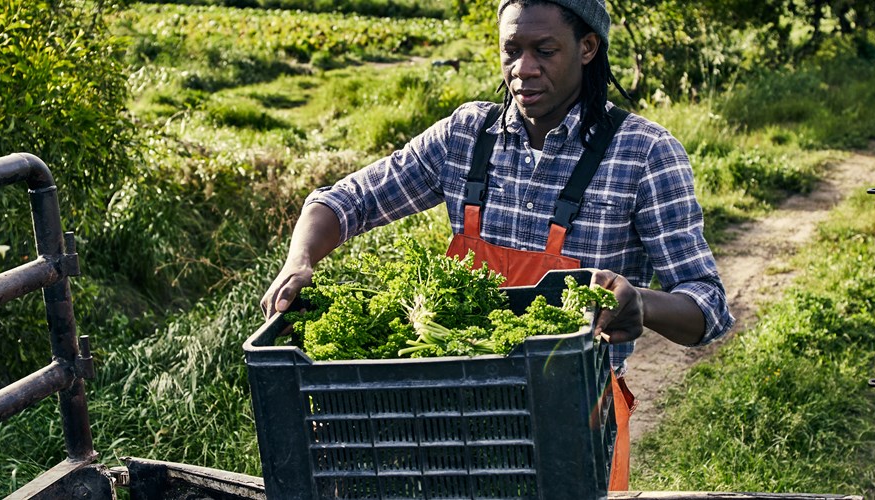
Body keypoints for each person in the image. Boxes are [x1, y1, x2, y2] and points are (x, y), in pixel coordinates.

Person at [261, 0, 733, 368]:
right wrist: (298, 262)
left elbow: (706, 307)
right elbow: (345, 201)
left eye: (544, 51)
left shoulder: (644, 152)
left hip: (575, 411)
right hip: (453, 397)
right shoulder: (467, 137)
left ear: (587, 48)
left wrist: (640, 304)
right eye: (512, 51)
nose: (523, 69)